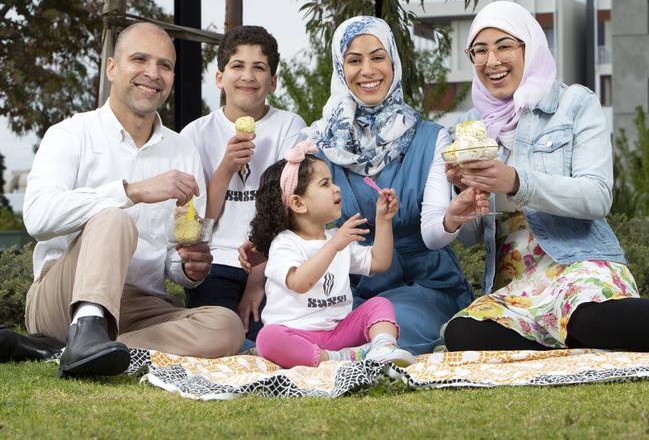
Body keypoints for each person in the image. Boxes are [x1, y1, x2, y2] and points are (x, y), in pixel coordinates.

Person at [19, 22, 244, 377]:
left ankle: (83, 349)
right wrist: (131, 192)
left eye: (165, 65)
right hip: (61, 295)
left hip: (139, 303)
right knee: (113, 218)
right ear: (112, 68)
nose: (153, 74)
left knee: (227, 327)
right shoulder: (69, 134)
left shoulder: (182, 151)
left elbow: (173, 254)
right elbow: (38, 218)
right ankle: (85, 328)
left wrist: (187, 269)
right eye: (139, 59)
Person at [241, 16, 475, 355]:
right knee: (284, 328)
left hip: (420, 282)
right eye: (354, 60)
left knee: (395, 319)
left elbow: (434, 235)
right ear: (340, 67)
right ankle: (346, 353)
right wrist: (262, 249)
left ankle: (346, 354)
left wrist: (453, 216)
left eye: (378, 57)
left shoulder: (431, 139)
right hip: (338, 287)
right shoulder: (315, 143)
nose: (368, 70)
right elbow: (293, 215)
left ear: (393, 62)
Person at [442, 1, 649, 352]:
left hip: (577, 266)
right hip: (519, 287)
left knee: (586, 316)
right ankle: (571, 337)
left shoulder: (574, 103)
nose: (491, 61)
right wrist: (462, 204)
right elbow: (472, 237)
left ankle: (577, 329)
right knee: (461, 334)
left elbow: (598, 197)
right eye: (479, 50)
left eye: (504, 46)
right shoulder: (469, 127)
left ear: (530, 46)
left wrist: (516, 181)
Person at [180, 26, 305, 343]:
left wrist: (257, 279)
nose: (247, 76)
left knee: (271, 339)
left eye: (259, 67)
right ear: (220, 78)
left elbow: (291, 211)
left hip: (275, 262)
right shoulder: (195, 134)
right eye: (238, 66)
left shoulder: (289, 127)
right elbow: (196, 225)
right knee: (221, 337)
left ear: (273, 82)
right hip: (215, 263)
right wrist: (225, 168)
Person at [249, 139, 415, 368]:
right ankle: (341, 358)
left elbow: (379, 262)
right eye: (325, 184)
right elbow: (299, 282)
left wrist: (384, 220)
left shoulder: (336, 238)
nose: (336, 188)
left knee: (379, 305)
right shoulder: (285, 244)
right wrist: (334, 246)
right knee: (268, 339)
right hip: (297, 334)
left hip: (338, 332)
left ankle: (383, 347)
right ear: (298, 204)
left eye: (333, 182)